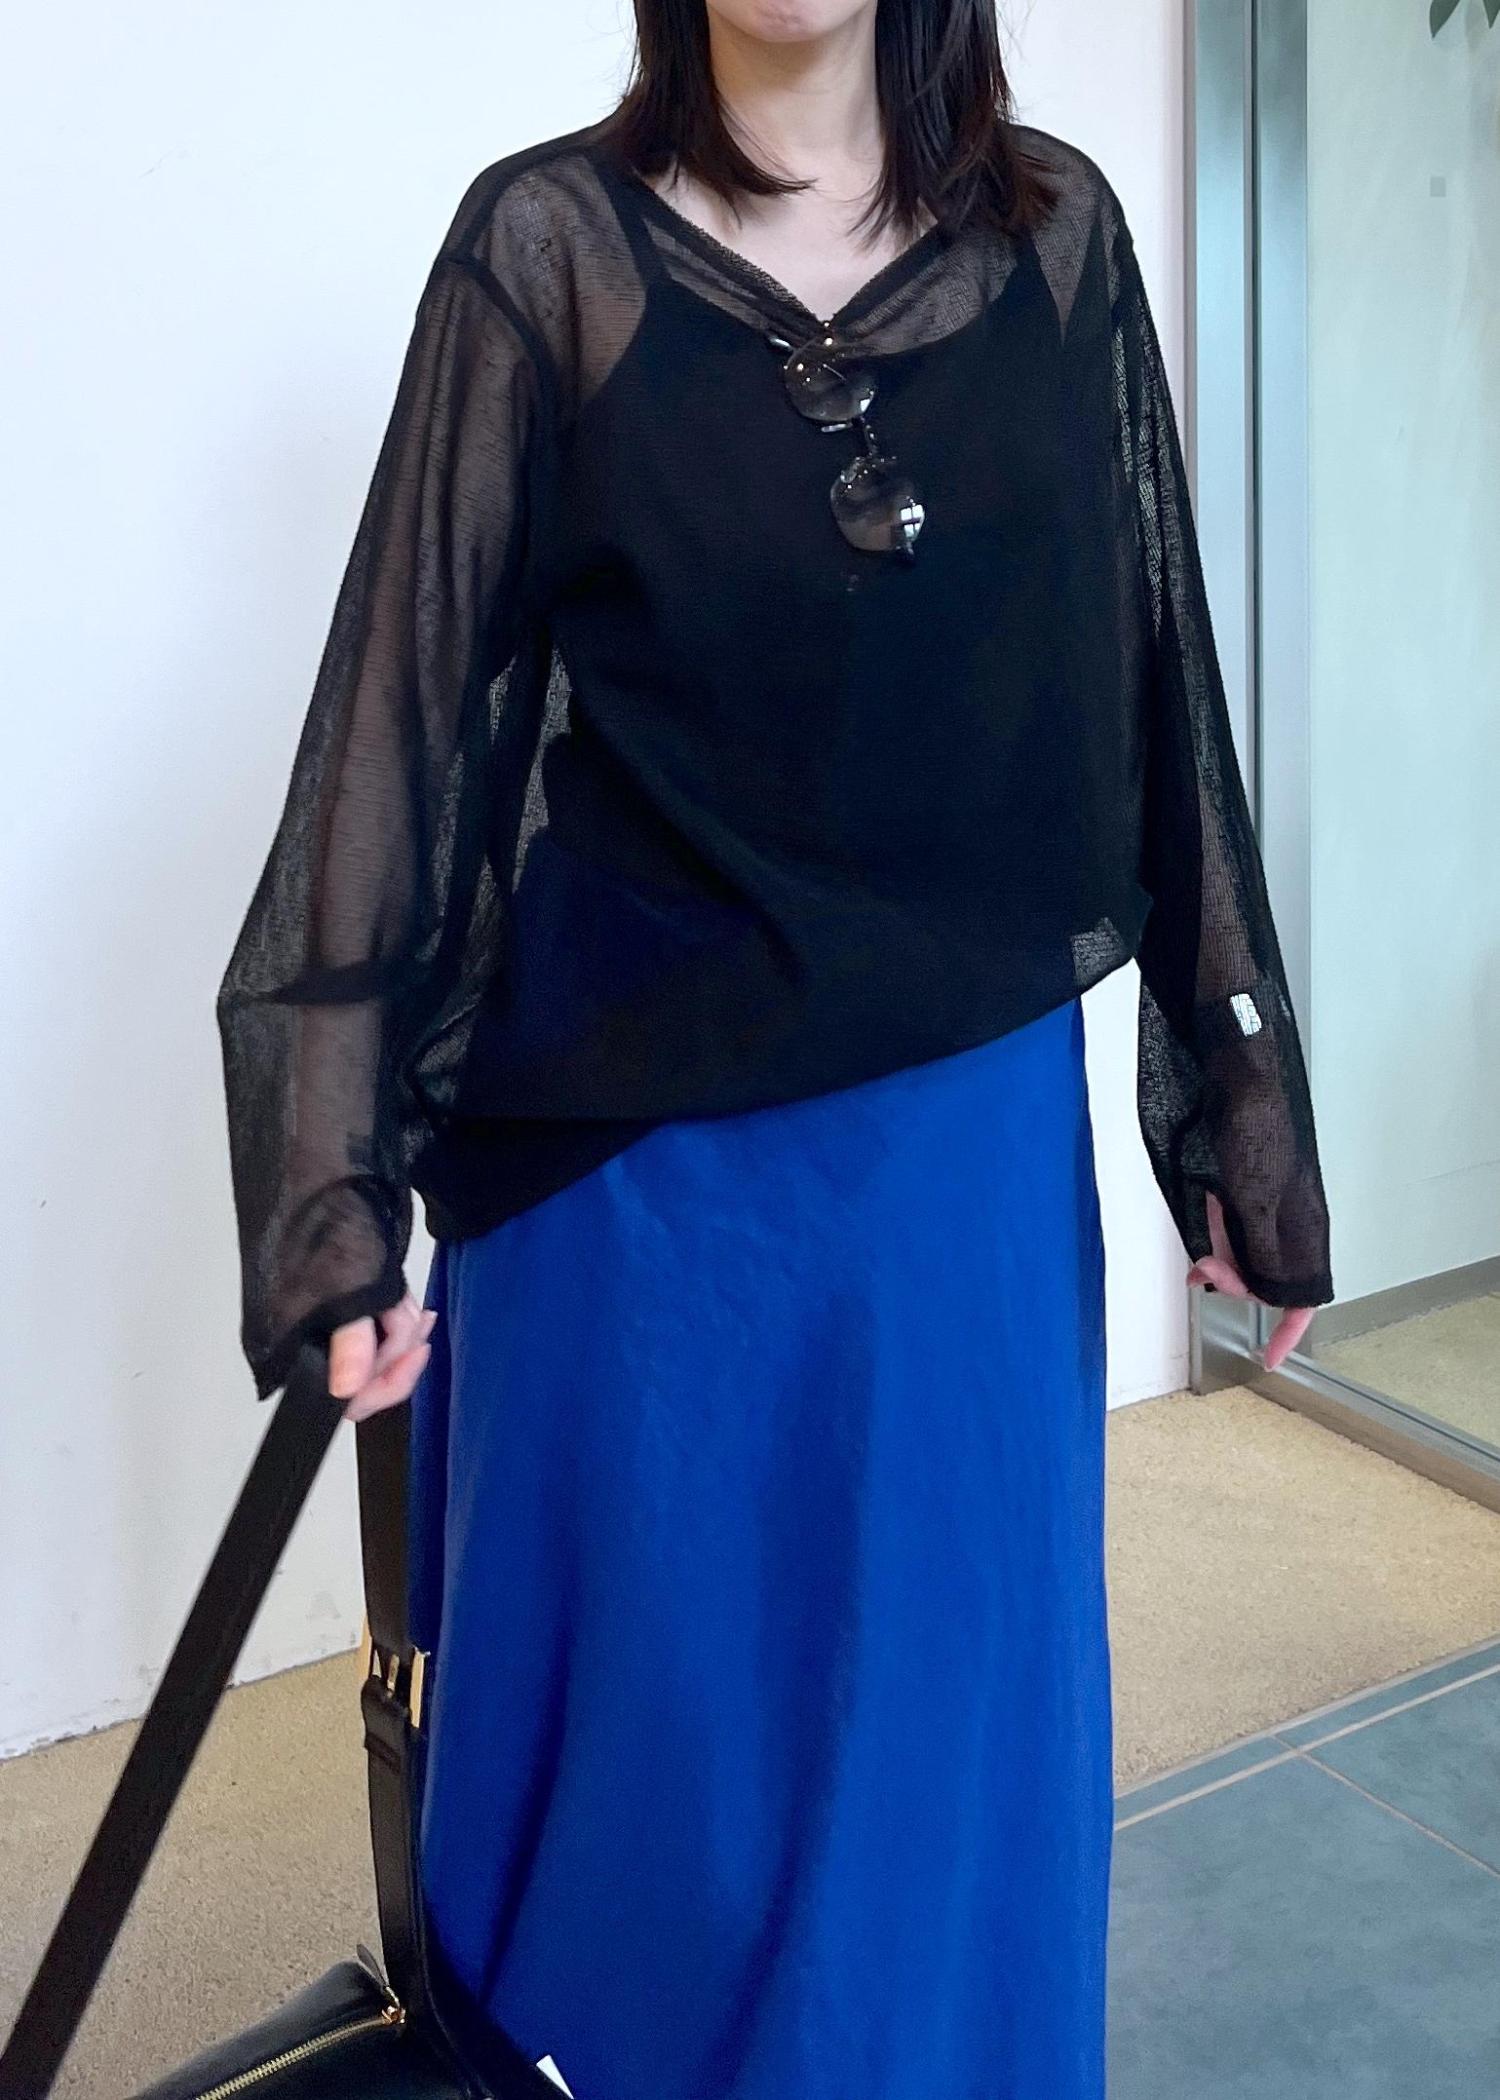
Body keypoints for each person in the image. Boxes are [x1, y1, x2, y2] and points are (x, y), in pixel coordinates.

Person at [214, 2, 1335, 2093]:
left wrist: (1235, 1085)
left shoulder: (1056, 242)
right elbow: (400, 726)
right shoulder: (546, 250)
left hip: (954, 1191)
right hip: (633, 1206)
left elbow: (1153, 672)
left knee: (939, 1784)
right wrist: (327, 1189)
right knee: (664, 1816)